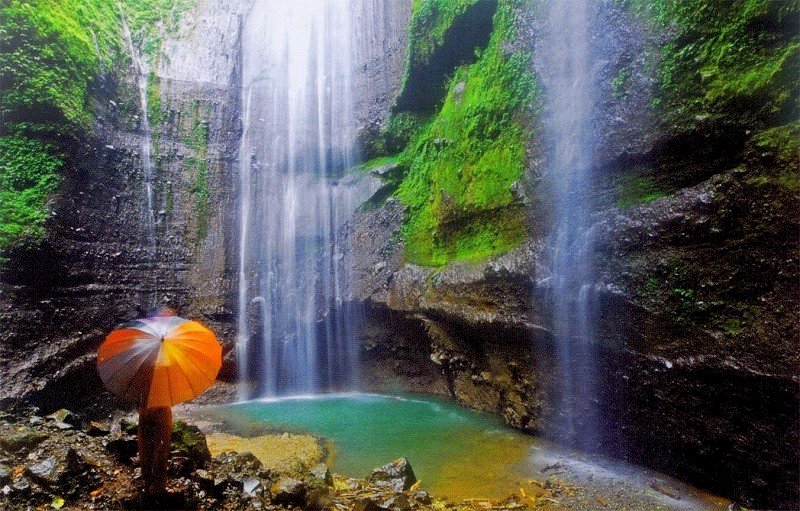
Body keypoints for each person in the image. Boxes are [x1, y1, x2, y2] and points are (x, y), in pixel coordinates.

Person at [138, 306, 177, 496]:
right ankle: (159, 486)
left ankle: (146, 481)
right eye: (170, 318)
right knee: (161, 445)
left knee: (145, 443)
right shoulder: (168, 346)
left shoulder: (142, 343)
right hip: (161, 404)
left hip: (144, 403)